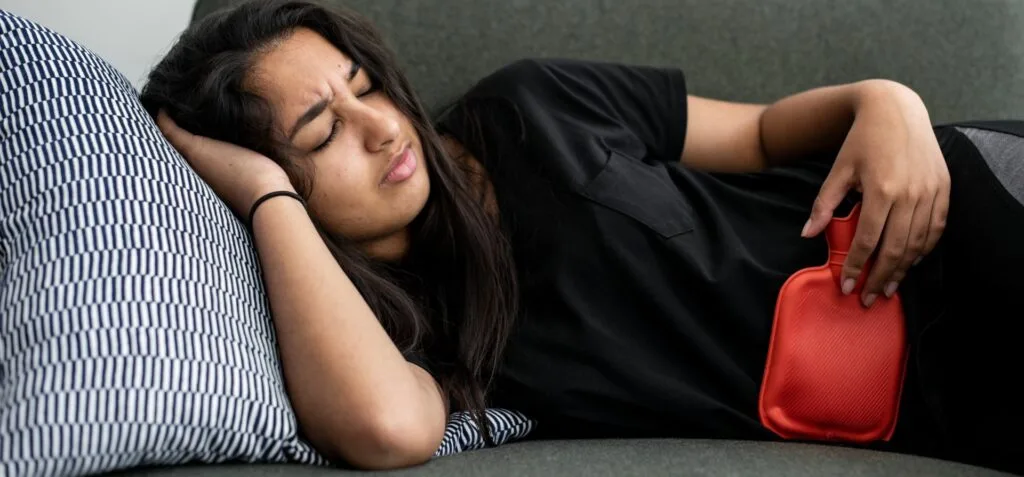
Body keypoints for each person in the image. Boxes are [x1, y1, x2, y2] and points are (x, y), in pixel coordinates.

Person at [139, 0, 1024, 473]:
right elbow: (386, 428)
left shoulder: (529, 106)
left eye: (364, 84)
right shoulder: (413, 334)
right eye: (320, 134)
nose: (379, 128)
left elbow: (758, 137)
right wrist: (261, 195)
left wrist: (887, 101)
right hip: (938, 400)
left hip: (962, 216)